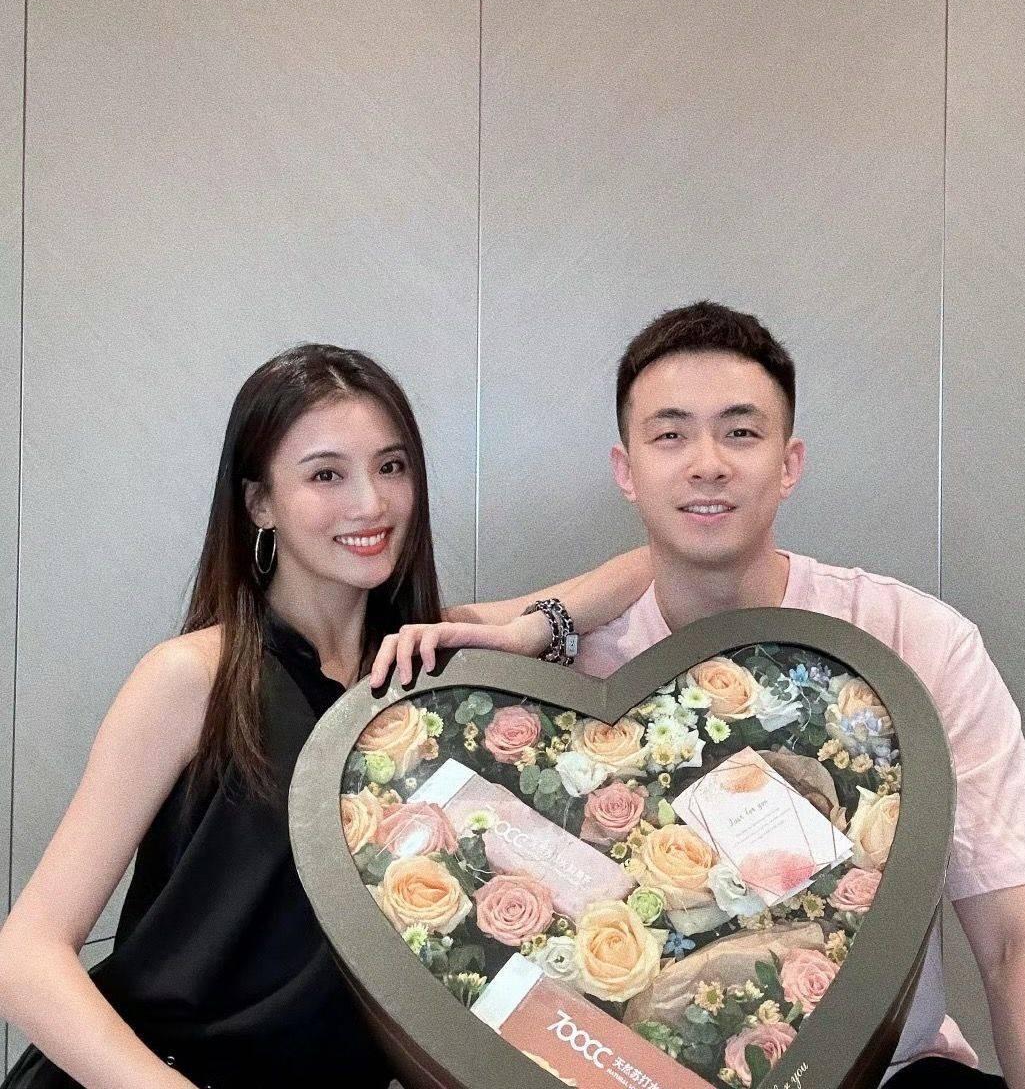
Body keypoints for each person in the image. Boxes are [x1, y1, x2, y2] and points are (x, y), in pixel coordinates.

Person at [378, 302, 1025, 1089]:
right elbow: (423, 644)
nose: (707, 464)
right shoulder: (559, 682)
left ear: (788, 463)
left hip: (887, 1074)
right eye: (670, 436)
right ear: (625, 471)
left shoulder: (914, 640)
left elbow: (1010, 941)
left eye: (740, 432)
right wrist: (543, 622)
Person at [0, 344, 646, 1089]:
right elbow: (27, 956)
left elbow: (646, 568)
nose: (371, 504)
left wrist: (528, 632)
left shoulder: (427, 667)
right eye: (326, 475)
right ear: (259, 503)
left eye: (391, 467)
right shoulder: (194, 678)